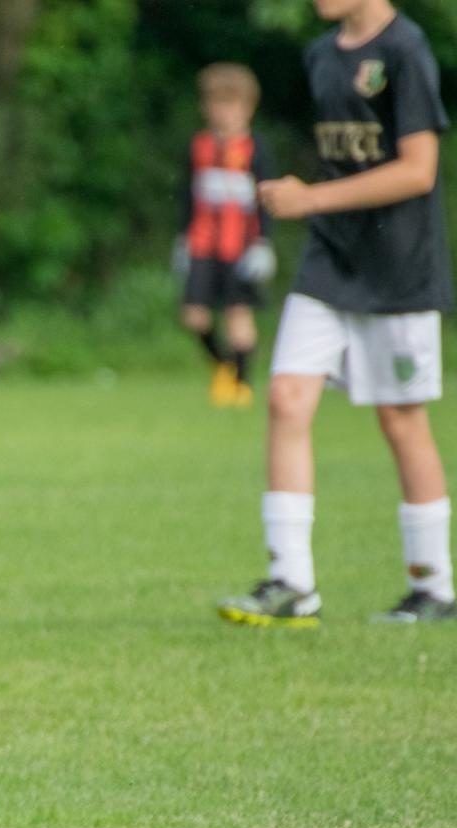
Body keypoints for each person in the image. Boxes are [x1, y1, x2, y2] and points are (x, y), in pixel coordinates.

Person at [218, 0, 454, 626]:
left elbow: (418, 171)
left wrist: (309, 198)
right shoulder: (322, 54)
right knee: (287, 398)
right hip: (330, 262)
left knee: (401, 420)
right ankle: (291, 581)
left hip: (399, 268)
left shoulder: (406, 51)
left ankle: (434, 586)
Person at [174, 63, 277, 408]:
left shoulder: (256, 149)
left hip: (240, 248)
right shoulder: (198, 146)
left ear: (248, 107)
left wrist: (264, 243)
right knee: (194, 316)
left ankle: (242, 385)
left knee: (238, 315)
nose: (223, 112)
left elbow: (266, 199)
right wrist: (182, 239)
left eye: (231, 105)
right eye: (217, 104)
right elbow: (188, 196)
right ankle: (224, 367)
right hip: (203, 244)